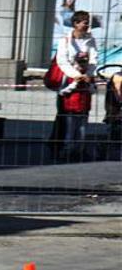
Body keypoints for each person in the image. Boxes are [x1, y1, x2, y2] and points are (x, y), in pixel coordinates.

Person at [54, 10, 98, 160]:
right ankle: (65, 148)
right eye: (84, 23)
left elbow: (94, 59)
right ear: (75, 24)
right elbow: (62, 61)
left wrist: (89, 74)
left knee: (83, 116)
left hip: (85, 82)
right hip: (69, 82)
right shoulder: (65, 41)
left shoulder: (90, 40)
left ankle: (80, 148)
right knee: (68, 117)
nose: (86, 26)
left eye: (88, 23)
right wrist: (75, 75)